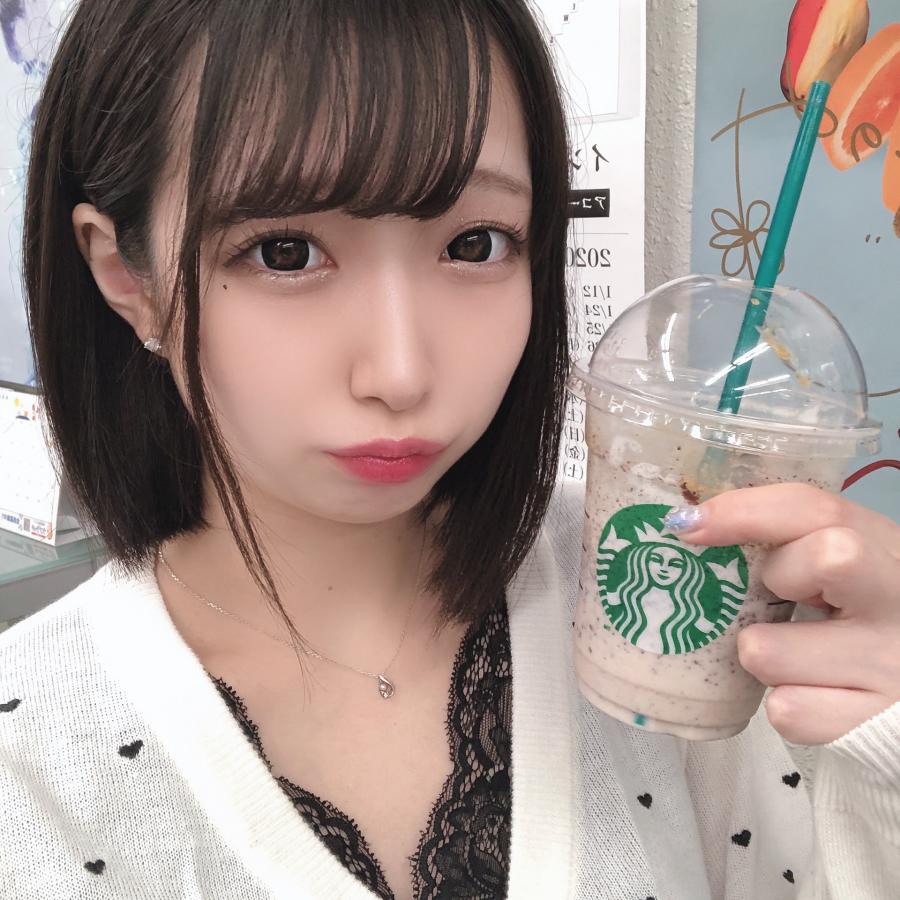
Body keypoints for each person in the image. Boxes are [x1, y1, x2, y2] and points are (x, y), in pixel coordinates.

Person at [1, 1, 898, 898]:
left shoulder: (680, 599)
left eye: (476, 243)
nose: (401, 372)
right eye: (284, 252)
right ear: (128, 275)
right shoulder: (29, 762)